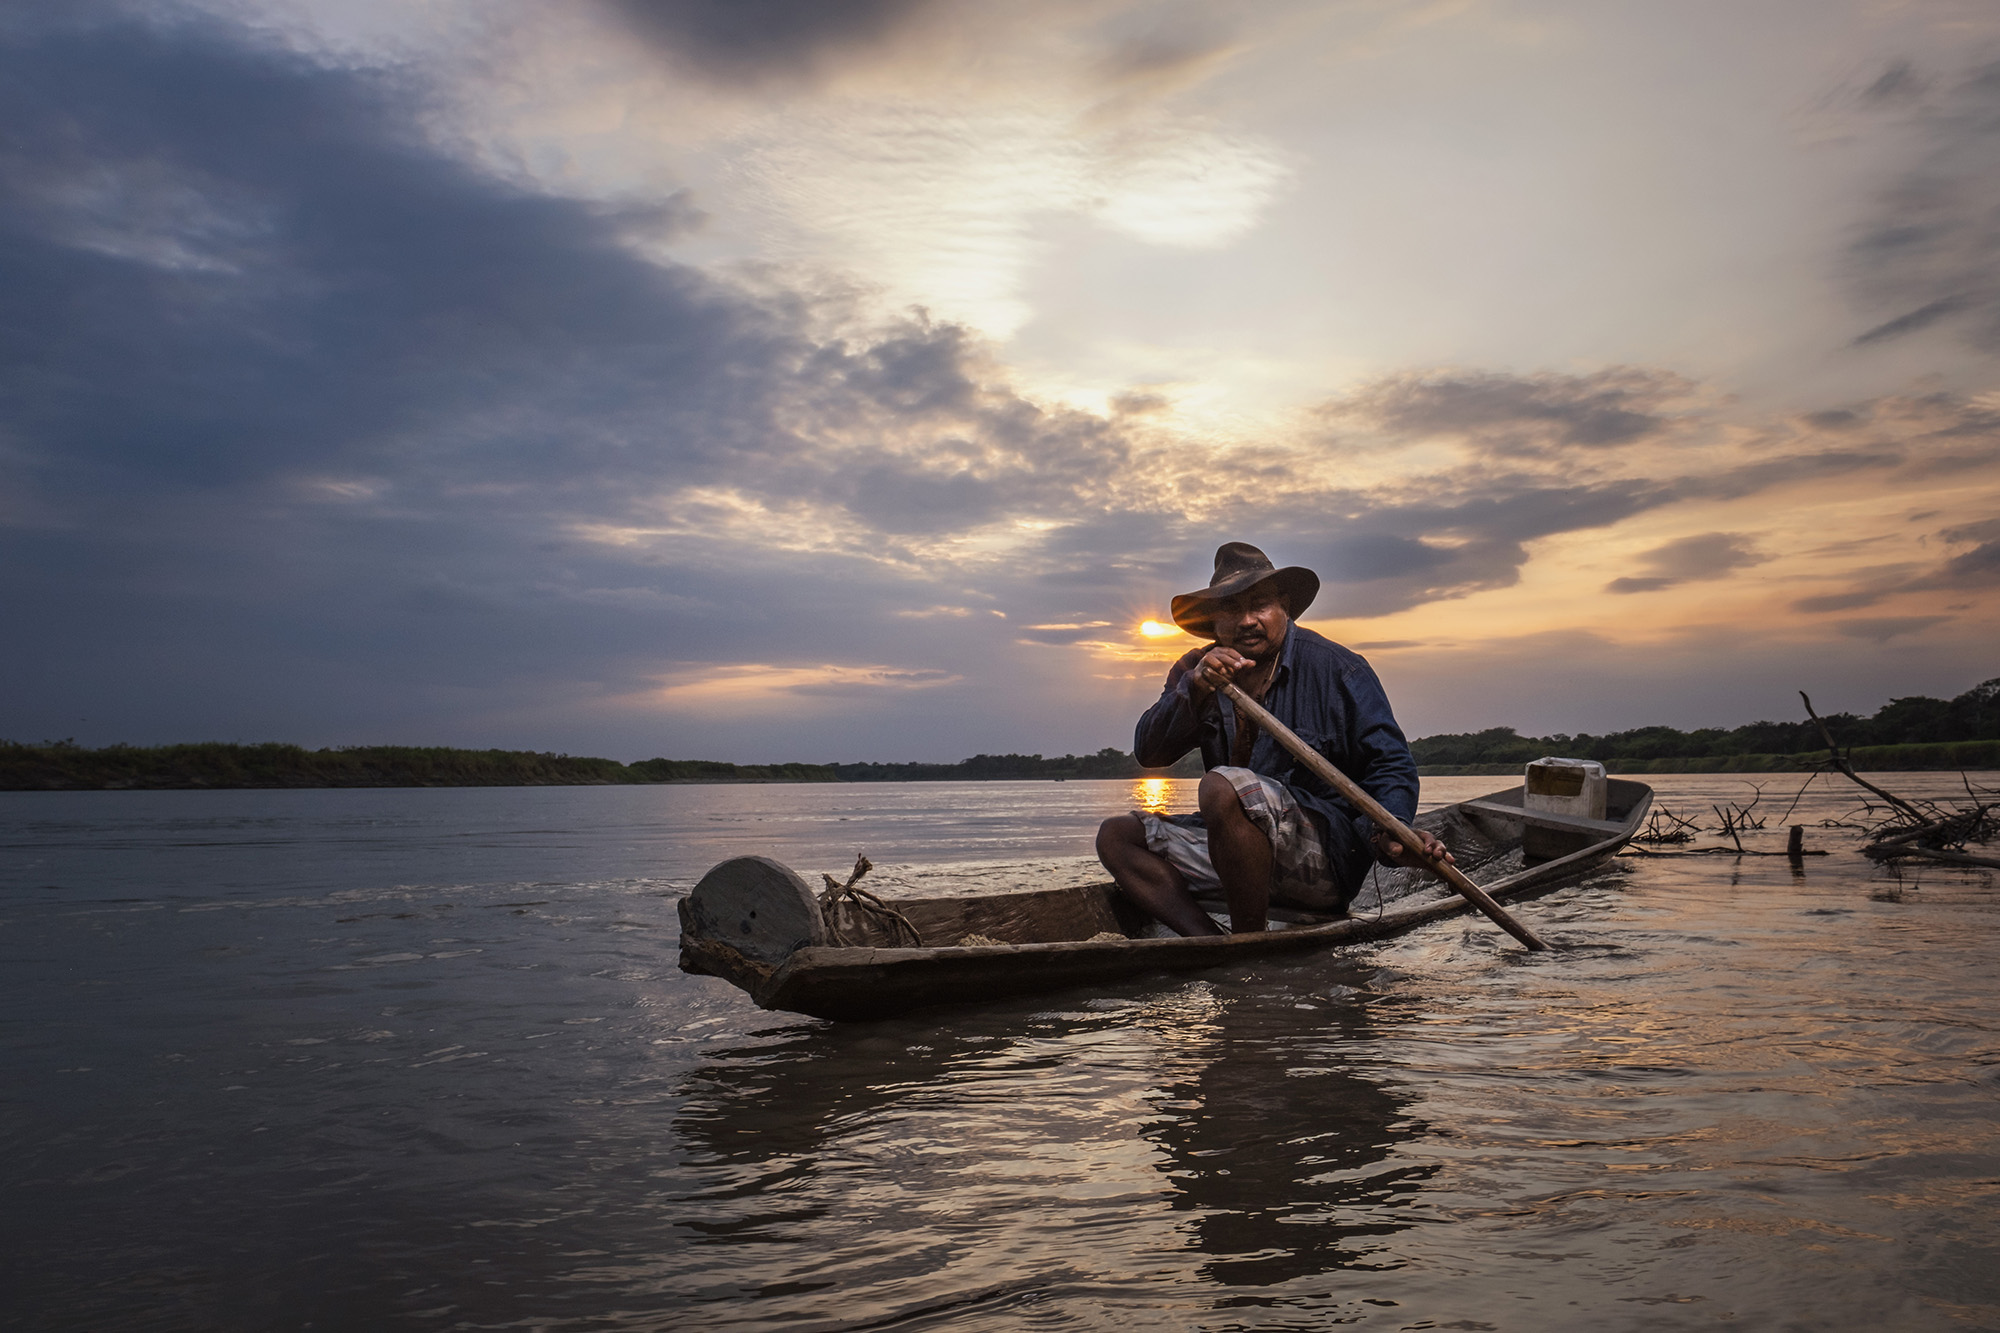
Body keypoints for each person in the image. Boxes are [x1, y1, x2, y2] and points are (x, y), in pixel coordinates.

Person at [1096, 541, 1453, 936]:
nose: (1247, 620)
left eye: (1259, 605)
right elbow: (1150, 752)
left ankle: (1248, 937)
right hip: (1235, 859)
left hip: (1323, 863)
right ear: (1214, 620)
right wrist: (1194, 690)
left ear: (1283, 606)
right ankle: (1213, 943)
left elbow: (1390, 763)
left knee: (1223, 785)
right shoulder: (1194, 670)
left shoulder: (1338, 668)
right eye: (1231, 608)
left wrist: (1391, 830)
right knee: (1117, 835)